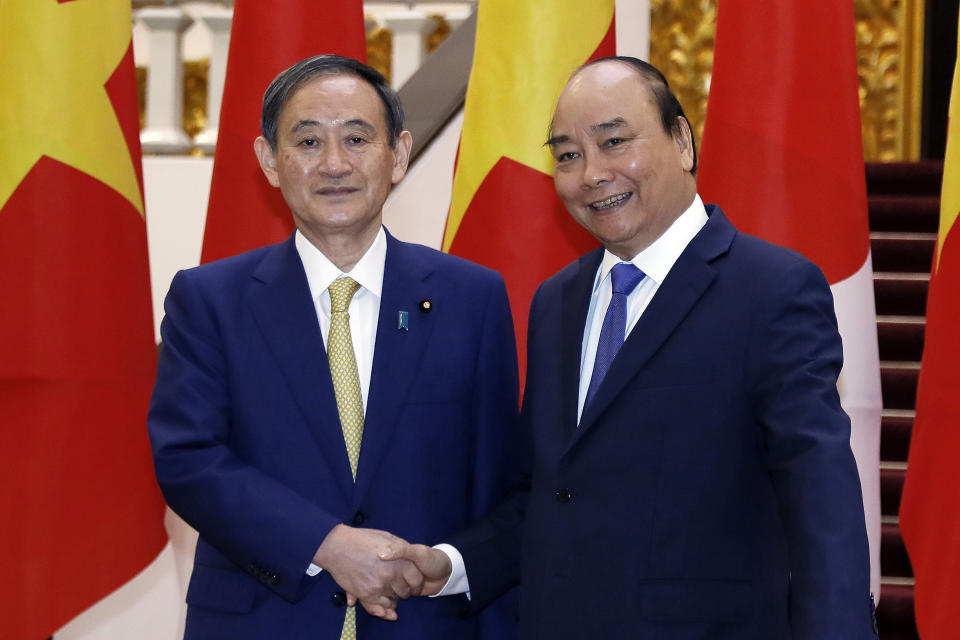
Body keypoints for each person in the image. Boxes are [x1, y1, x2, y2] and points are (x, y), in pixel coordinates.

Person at [390, 56, 878, 638]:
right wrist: (451, 566)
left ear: (681, 141)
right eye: (567, 155)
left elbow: (820, 498)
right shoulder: (556, 301)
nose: (592, 173)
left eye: (614, 141)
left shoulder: (771, 288)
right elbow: (549, 494)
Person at [147, 54, 519, 640]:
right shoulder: (209, 300)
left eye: (356, 138)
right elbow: (189, 460)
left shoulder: (472, 298)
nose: (335, 163)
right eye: (308, 141)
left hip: (424, 624)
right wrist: (327, 546)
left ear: (397, 155)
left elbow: (504, 485)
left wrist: (448, 566)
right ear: (270, 161)